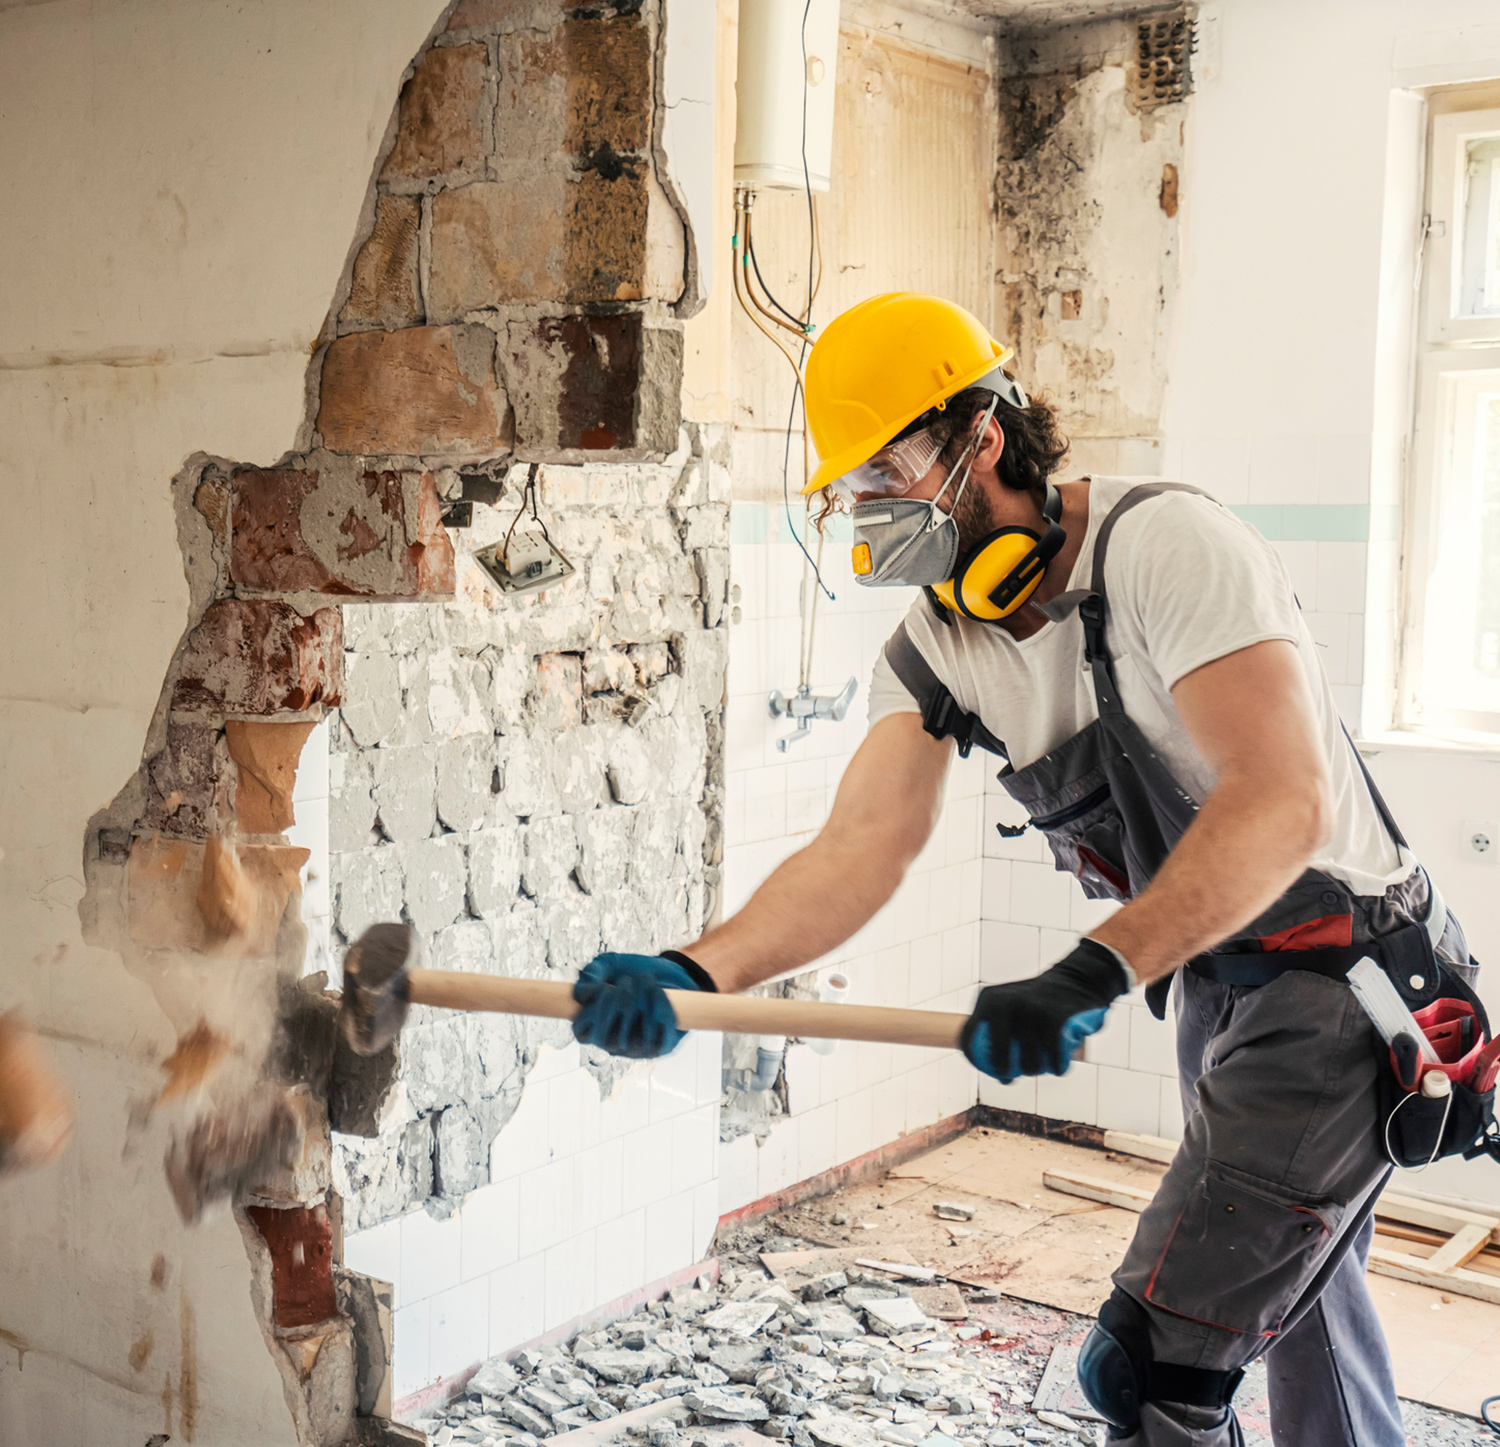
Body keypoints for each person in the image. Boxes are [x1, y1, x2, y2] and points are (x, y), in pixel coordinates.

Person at [571, 293, 1475, 1446]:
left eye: (886, 467)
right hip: (1222, 985)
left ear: (979, 439)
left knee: (1152, 1366)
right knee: (1293, 1300)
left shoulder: (1164, 547)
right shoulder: (943, 638)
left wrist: (1094, 972)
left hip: (1345, 986)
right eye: (849, 485)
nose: (866, 506)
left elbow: (1283, 799)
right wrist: (691, 967)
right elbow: (860, 846)